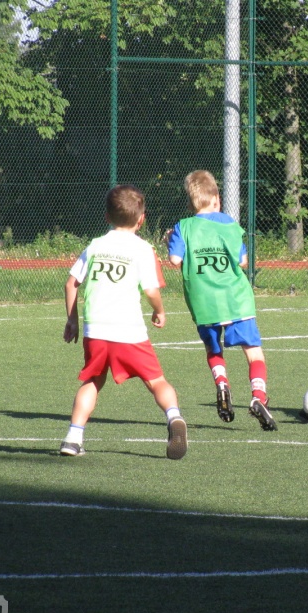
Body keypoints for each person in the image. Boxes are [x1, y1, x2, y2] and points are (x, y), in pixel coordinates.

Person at [61, 184, 187, 459]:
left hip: (96, 330)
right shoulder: (143, 249)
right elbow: (151, 290)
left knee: (93, 380)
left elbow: (71, 283)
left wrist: (72, 320)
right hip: (129, 332)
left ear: (107, 217)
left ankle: (73, 437)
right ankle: (174, 418)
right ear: (142, 220)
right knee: (156, 381)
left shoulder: (96, 245)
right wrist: (160, 311)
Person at [167, 169, 276, 431]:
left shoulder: (183, 226)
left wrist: (170, 240)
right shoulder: (229, 224)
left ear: (190, 202)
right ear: (216, 197)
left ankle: (222, 383)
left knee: (213, 348)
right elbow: (243, 261)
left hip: (204, 302)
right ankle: (258, 397)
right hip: (236, 299)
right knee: (253, 351)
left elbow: (175, 260)